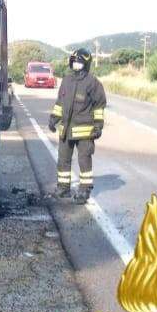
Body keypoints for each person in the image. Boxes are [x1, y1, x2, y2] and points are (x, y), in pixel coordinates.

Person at [49, 48, 107, 204]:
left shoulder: (93, 83)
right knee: (63, 160)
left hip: (84, 132)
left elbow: (99, 106)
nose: (76, 65)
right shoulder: (66, 80)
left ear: (86, 65)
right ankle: (63, 189)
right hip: (66, 130)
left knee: (84, 160)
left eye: (79, 63)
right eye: (74, 62)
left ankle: (84, 190)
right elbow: (60, 103)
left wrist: (98, 126)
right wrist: (54, 119)